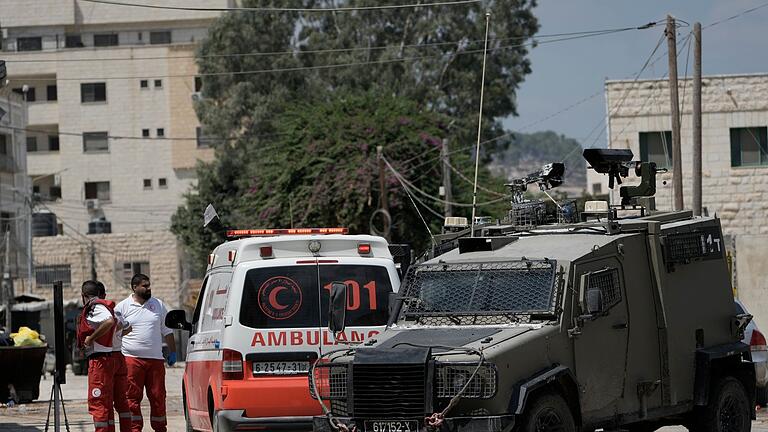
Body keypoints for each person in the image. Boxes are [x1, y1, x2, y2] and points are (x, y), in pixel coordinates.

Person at [115, 274, 177, 432]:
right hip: (131, 360)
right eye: (145, 286)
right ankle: (134, 429)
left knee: (158, 397)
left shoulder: (158, 305)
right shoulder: (122, 307)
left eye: (149, 285)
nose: (149, 289)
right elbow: (114, 333)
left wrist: (173, 352)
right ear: (134, 287)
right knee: (131, 398)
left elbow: (167, 331)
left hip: (155, 360)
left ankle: (160, 428)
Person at [77, 280, 117, 432]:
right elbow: (120, 325)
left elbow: (109, 321)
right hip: (105, 359)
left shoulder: (95, 307)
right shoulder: (101, 306)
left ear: (83, 295)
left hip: (99, 362)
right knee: (105, 403)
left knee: (98, 403)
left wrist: (91, 338)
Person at [97, 282, 132, 432]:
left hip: (106, 357)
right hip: (119, 356)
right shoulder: (115, 312)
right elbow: (128, 327)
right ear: (104, 295)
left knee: (105, 400)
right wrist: (118, 335)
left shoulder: (97, 312)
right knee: (122, 400)